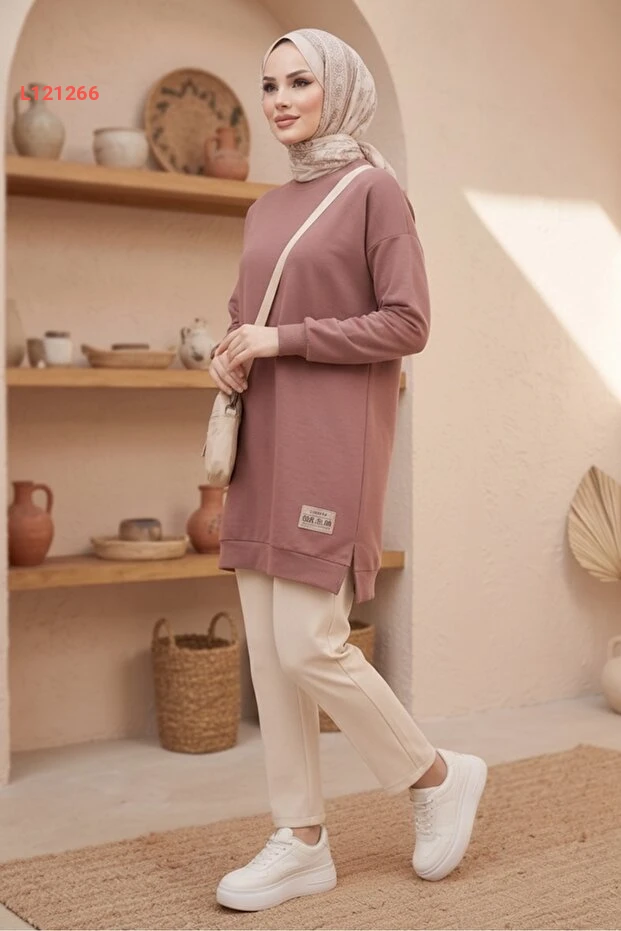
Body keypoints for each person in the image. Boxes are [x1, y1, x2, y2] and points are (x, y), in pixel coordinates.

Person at [209, 28, 487, 913]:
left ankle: (435, 774)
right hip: (262, 440)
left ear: (340, 88)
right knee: (269, 651)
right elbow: (246, 314)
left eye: (300, 81)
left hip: (331, 444)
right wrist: (230, 349)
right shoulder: (264, 208)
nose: (280, 100)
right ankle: (299, 840)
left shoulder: (374, 191)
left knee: (309, 640)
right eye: (269, 85)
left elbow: (408, 321)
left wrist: (281, 339)